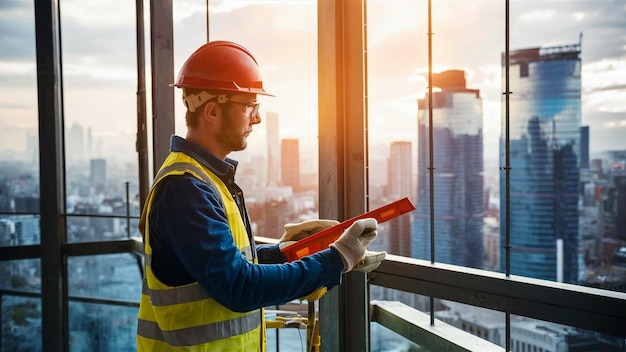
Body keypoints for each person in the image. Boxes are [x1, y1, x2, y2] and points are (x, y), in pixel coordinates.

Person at [136, 40, 386, 351]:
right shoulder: (186, 189)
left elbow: (215, 266)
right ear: (212, 112)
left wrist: (284, 252)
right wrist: (336, 259)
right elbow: (239, 287)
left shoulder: (203, 178)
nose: (257, 119)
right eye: (249, 107)